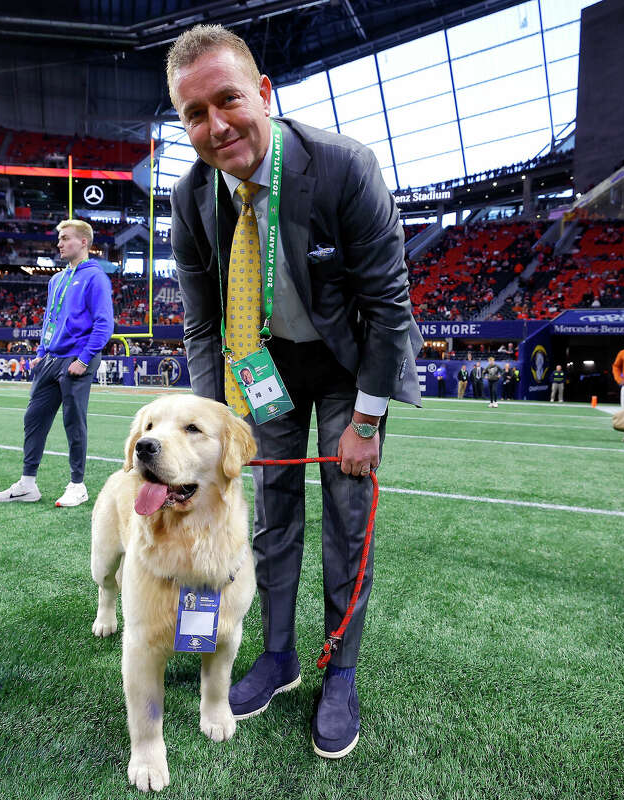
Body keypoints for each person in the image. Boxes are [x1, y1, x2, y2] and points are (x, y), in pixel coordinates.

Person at [167, 24, 422, 760]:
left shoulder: (343, 167)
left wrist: (367, 419)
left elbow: (389, 302)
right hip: (262, 365)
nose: (216, 126)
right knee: (271, 517)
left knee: (348, 517)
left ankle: (339, 670)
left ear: (265, 94)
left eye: (228, 100)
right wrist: (203, 433)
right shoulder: (190, 198)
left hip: (348, 366)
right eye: (194, 114)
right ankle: (276, 656)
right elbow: (200, 324)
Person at [0, 219, 114, 507]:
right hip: (51, 358)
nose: (59, 243)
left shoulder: (96, 277)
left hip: (76, 358)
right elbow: (51, 318)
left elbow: (104, 323)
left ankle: (77, 484)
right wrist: (42, 351)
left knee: (74, 421)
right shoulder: (56, 279)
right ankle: (28, 484)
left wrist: (84, 359)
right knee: (34, 418)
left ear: (83, 242)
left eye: (65, 238)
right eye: (59, 238)